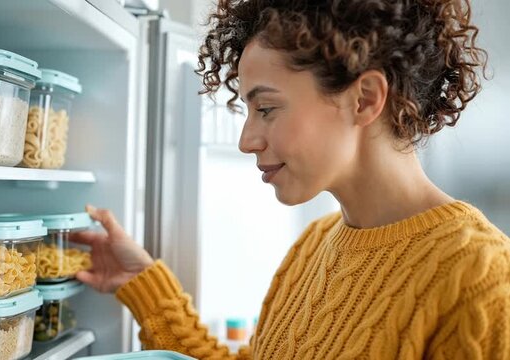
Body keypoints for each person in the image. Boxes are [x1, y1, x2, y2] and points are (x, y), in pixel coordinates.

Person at [72, 0, 510, 358]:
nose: (247, 140)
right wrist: (142, 283)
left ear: (365, 99)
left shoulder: (481, 277)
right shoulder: (315, 245)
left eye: (266, 109)